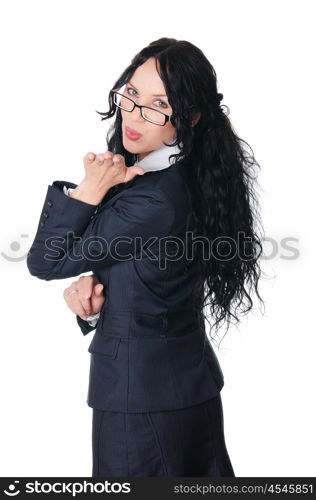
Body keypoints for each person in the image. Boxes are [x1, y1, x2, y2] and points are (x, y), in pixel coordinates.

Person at [27, 37, 264, 477]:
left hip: (140, 398)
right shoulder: (188, 173)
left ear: (190, 117)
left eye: (159, 104)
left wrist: (88, 189)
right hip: (185, 385)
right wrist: (97, 307)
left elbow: (46, 262)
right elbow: (158, 282)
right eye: (132, 94)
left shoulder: (155, 197)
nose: (135, 115)